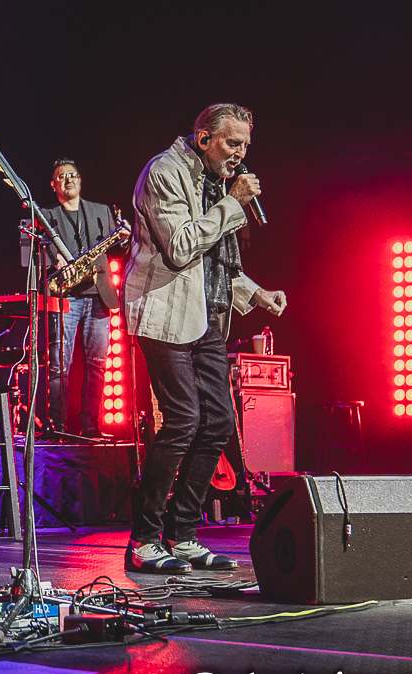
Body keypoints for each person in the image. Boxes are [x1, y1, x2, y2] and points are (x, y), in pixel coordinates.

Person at [122, 103, 288, 573]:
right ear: (203, 138)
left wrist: (255, 293)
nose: (239, 154)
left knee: (218, 423)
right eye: (232, 143)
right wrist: (232, 204)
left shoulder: (213, 183)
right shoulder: (165, 172)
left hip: (207, 315)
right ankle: (144, 540)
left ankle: (184, 534)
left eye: (245, 146)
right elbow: (179, 249)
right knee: (182, 421)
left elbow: (213, 265)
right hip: (165, 314)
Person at [38, 159, 117, 437]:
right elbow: (38, 251)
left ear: (80, 180)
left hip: (99, 296)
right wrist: (53, 258)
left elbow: (117, 250)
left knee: (98, 365)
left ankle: (91, 427)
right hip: (66, 296)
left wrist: (128, 238)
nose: (68, 180)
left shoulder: (102, 211)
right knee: (59, 365)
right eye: (62, 177)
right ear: (54, 184)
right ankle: (57, 426)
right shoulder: (46, 215)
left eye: (73, 176)